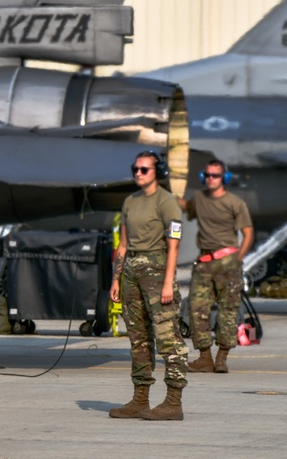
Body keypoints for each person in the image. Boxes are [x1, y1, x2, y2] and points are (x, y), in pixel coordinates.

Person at [109, 151, 188, 421]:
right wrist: (116, 279)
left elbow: (174, 243)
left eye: (144, 169)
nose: (138, 173)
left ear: (158, 172)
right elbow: (123, 244)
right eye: (135, 169)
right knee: (138, 338)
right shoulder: (130, 202)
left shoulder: (167, 202)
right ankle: (140, 399)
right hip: (131, 272)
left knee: (168, 337)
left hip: (156, 272)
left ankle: (173, 402)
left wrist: (169, 282)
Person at [179, 159, 254, 373]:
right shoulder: (199, 199)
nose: (211, 179)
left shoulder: (235, 203)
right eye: (208, 175)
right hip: (203, 263)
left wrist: (238, 258)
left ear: (225, 178)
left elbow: (248, 232)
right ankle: (205, 357)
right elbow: (187, 208)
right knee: (196, 309)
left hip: (228, 262)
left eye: (216, 175)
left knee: (227, 312)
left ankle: (222, 358)